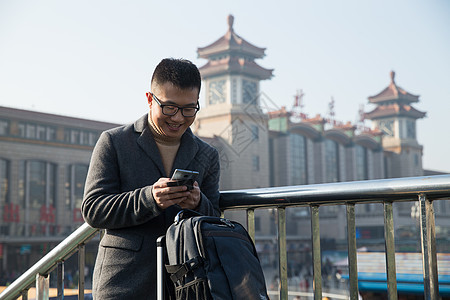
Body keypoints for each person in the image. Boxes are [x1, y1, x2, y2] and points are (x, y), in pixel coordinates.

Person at [81, 58, 221, 299]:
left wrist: (198, 204)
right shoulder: (114, 142)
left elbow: (215, 217)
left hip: (185, 285)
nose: (178, 118)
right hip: (123, 283)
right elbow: (93, 210)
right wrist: (150, 198)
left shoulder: (207, 154)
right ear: (149, 99)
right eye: (169, 107)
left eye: (189, 109)